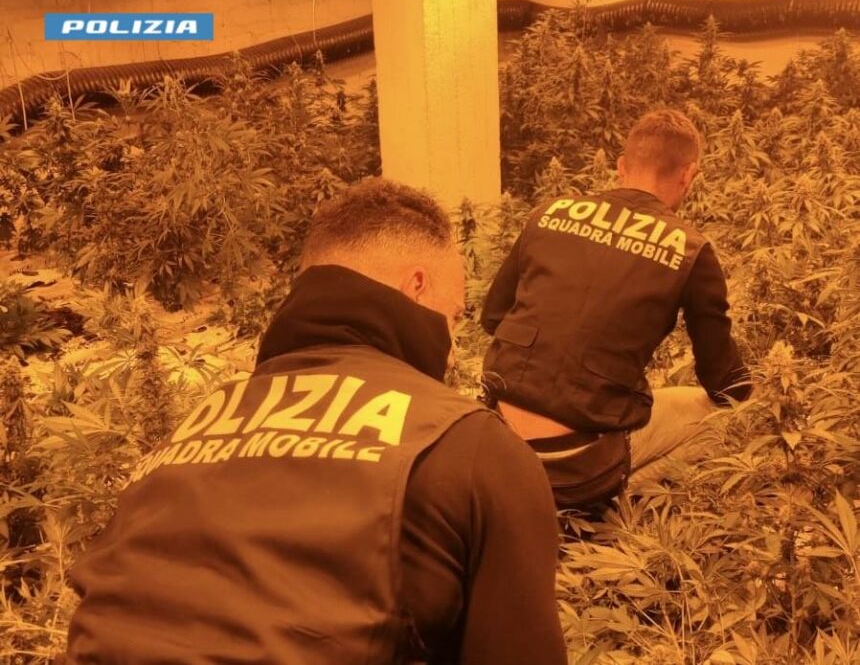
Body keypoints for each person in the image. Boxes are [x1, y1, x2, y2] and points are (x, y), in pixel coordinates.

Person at [64, 178, 567, 665]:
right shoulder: (471, 446)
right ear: (416, 286)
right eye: (454, 317)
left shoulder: (188, 431)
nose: (453, 349)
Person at [481, 109, 752, 510]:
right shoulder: (691, 250)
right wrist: (762, 395)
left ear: (621, 165)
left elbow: (493, 317)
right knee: (725, 414)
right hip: (580, 468)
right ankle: (618, 503)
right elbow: (724, 382)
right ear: (688, 175)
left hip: (494, 441)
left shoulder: (549, 214)